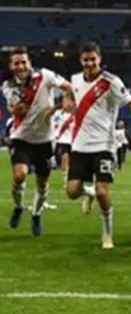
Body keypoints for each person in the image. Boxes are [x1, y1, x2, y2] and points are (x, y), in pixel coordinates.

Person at [65, 41, 131, 249]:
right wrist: (66, 99)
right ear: (80, 60)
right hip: (80, 145)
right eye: (86, 59)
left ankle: (107, 235)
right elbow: (69, 92)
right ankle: (89, 194)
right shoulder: (74, 79)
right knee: (72, 191)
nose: (90, 63)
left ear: (99, 59)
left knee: (103, 192)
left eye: (93, 59)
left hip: (104, 145)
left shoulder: (111, 82)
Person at [1, 46, 74, 236]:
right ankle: (18, 206)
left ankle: (36, 213)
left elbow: (68, 86)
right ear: (11, 66)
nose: (20, 66)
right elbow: (13, 107)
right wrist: (13, 110)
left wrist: (65, 99)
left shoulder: (45, 76)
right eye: (16, 63)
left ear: (29, 63)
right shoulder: (7, 85)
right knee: (19, 176)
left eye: (23, 62)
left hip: (45, 139)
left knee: (42, 182)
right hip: (22, 137)